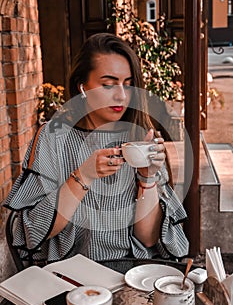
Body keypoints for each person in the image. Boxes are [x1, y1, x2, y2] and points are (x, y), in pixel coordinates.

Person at [4, 33, 189, 265]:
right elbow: (31, 232)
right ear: (82, 87)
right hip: (70, 277)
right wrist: (84, 175)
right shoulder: (53, 137)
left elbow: (149, 239)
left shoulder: (139, 137)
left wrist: (147, 178)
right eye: (108, 85)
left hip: (131, 275)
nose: (121, 95)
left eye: (128, 85)